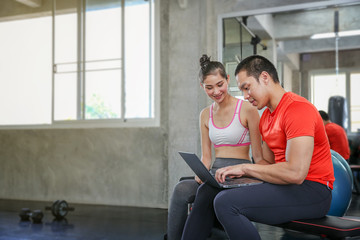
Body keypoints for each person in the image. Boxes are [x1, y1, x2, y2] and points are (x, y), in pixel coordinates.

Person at [181, 55, 335, 240]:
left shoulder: (298, 109)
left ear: (264, 77)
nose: (245, 96)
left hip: (312, 192)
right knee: (209, 190)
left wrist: (245, 167)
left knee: (226, 203)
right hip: (285, 185)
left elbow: (296, 173)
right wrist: (236, 176)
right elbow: (268, 165)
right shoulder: (268, 118)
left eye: (247, 88)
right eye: (242, 90)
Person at [166, 54, 263, 240]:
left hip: (239, 174)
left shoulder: (247, 109)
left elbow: (257, 156)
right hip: (214, 175)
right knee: (181, 189)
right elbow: (206, 157)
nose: (216, 91)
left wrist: (257, 176)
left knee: (205, 192)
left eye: (220, 85)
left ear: (227, 80)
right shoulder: (205, 115)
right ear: (202, 87)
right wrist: (200, 173)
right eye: (209, 87)